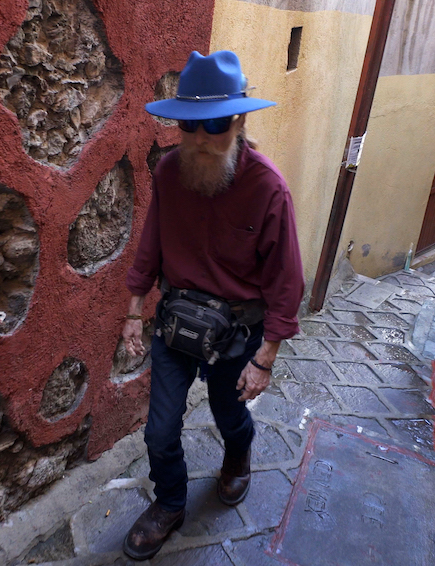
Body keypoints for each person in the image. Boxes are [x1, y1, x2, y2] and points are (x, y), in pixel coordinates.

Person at [120, 50, 304, 560]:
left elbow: (286, 283)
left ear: (240, 118)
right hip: (177, 323)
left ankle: (238, 456)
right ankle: (170, 503)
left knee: (229, 415)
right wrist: (133, 311)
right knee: (159, 429)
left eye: (216, 125)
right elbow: (150, 246)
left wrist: (266, 359)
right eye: (190, 127)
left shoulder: (269, 190)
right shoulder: (169, 172)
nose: (201, 140)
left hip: (238, 333)